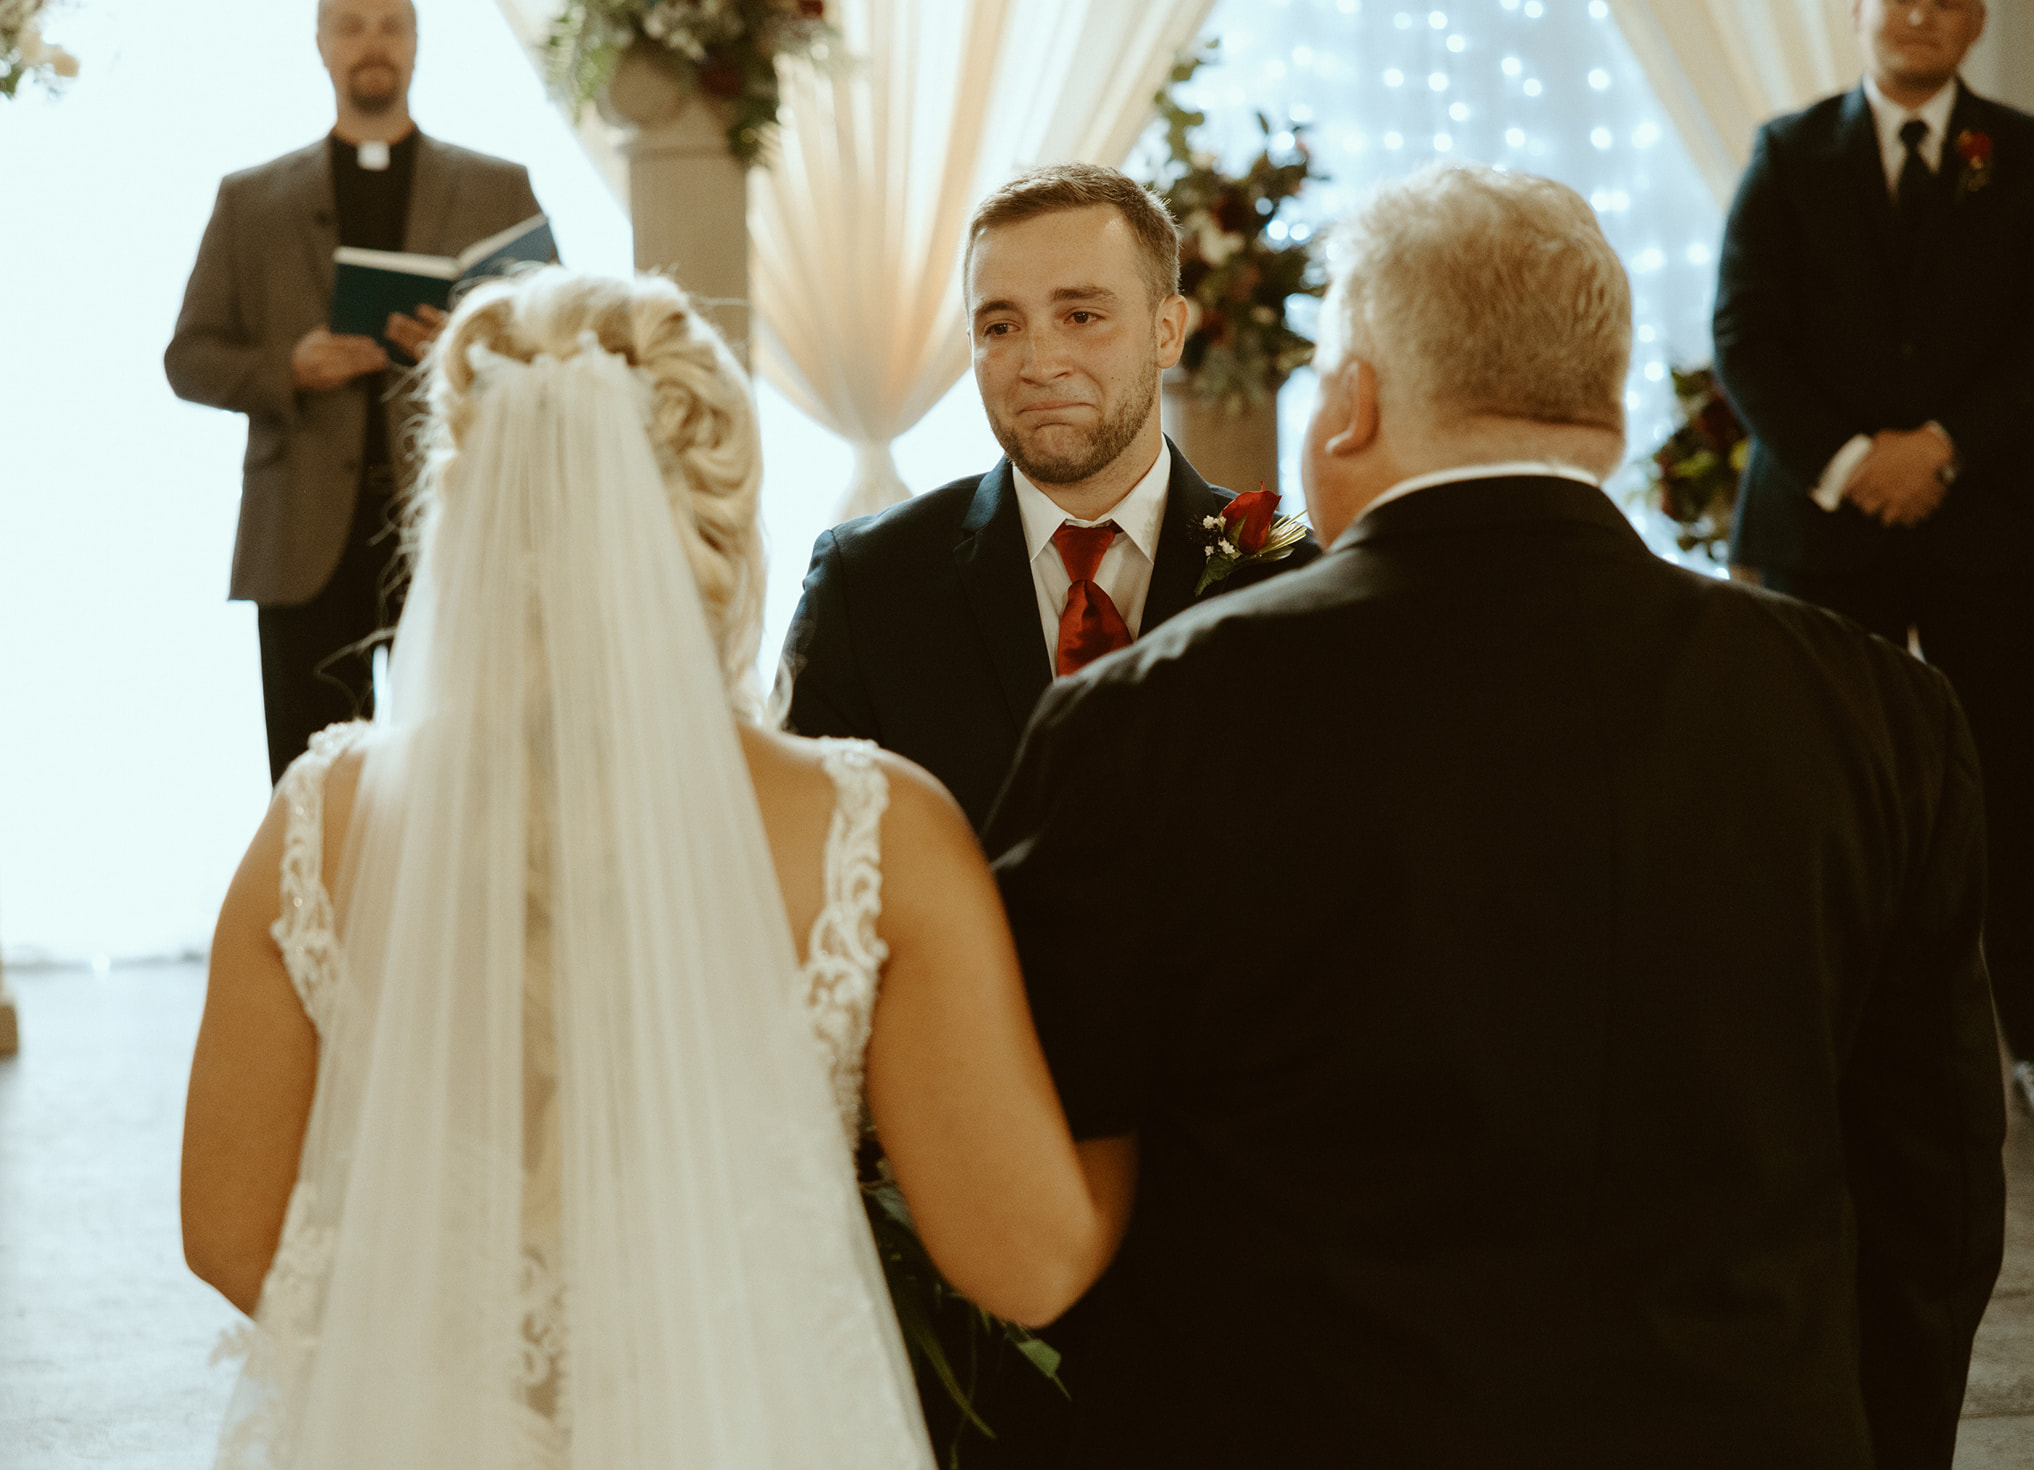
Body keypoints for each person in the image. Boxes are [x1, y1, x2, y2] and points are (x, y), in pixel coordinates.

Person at [987, 162, 2008, 1469]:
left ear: (1350, 403)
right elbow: (1935, 1200)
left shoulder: (1149, 717)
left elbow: (1057, 1186)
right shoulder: (1876, 712)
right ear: (1608, 416)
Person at [179, 270, 1133, 1464]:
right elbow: (1027, 1261)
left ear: (461, 515)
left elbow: (228, 1233)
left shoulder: (319, 819)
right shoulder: (869, 828)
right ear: (723, 516)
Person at [1714, 0, 2034, 1121]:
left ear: (1974, 24)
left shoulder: (2029, 153)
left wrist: (1941, 449)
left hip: (1986, 524)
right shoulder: (1785, 150)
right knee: (1815, 782)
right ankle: (1806, 1034)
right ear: (1857, 15)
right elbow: (1741, 331)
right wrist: (1855, 461)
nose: (1918, 14)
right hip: (1821, 524)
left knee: (2011, 780)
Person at [782, 163, 1316, 832]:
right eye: (1000, 326)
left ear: (1168, 332)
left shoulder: (1292, 576)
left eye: (1081, 315)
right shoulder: (866, 586)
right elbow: (809, 858)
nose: (1039, 362)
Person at [165, 0, 550, 785]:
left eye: (390, 23)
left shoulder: (499, 188)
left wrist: (463, 350)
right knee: (313, 793)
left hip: (452, 537)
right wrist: (288, 369)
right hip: (304, 549)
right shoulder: (251, 201)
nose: (372, 42)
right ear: (319, 45)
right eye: (350, 24)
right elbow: (188, 358)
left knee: (461, 788)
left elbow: (558, 347)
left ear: (416, 42)